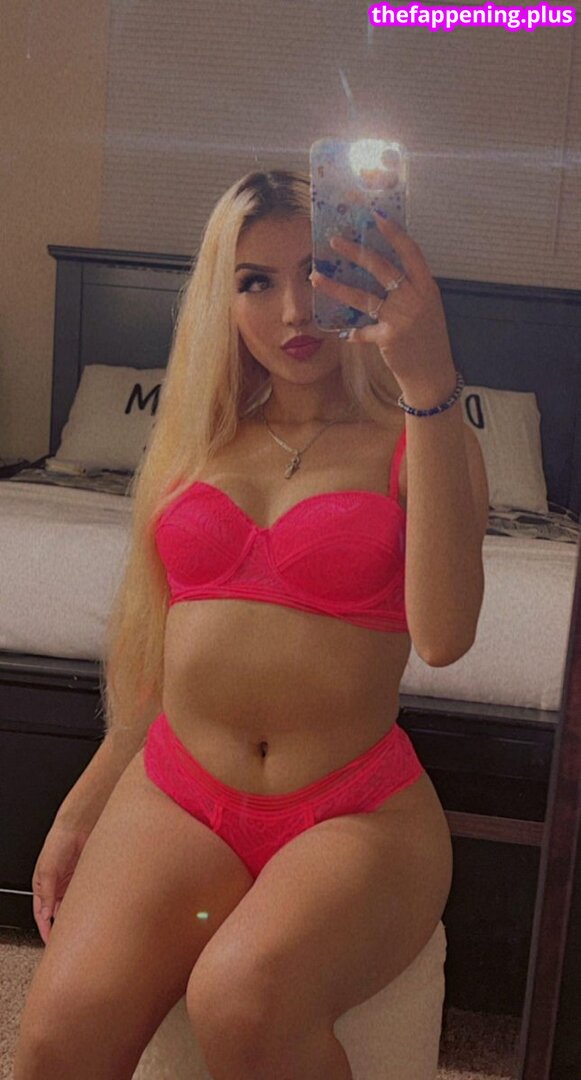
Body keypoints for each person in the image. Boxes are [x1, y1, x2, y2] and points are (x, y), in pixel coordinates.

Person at [14, 169, 489, 1080]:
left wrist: (428, 378)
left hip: (353, 810)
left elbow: (443, 636)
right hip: (178, 792)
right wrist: (79, 812)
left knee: (243, 995)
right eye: (255, 282)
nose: (293, 309)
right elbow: (155, 661)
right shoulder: (193, 444)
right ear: (221, 302)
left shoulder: (420, 437)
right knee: (54, 1042)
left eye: (318, 270)